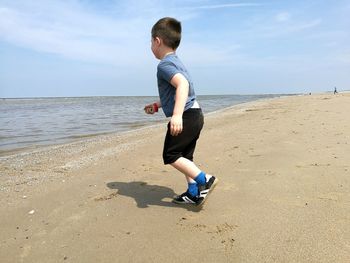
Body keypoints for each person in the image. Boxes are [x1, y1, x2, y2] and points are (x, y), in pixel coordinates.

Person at [144, 17, 218, 206]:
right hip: (195, 113)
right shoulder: (177, 62)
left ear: (157, 41)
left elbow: (182, 85)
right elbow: (177, 91)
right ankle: (193, 193)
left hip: (185, 115)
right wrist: (158, 105)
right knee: (186, 157)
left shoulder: (164, 65)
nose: (150, 46)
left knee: (171, 155)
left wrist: (176, 116)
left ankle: (205, 180)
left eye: (150, 41)